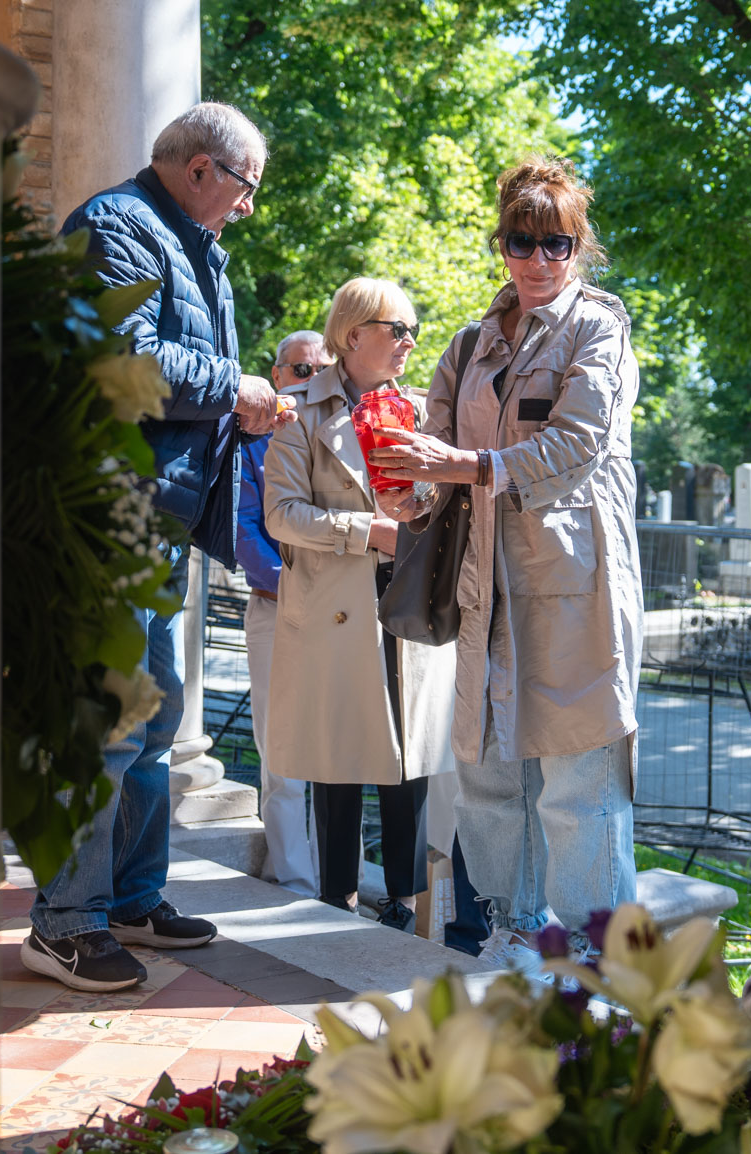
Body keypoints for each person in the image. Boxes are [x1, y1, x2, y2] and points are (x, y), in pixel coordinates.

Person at [21, 102, 297, 992]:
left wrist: (240, 411)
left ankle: (131, 899)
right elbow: (121, 363)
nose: (248, 207)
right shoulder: (116, 226)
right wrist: (235, 386)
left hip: (156, 520)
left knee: (152, 724)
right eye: (246, 186)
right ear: (201, 169)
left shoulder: (190, 244)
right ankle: (64, 923)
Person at [371, 157, 642, 968]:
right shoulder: (469, 343)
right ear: (501, 245)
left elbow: (576, 445)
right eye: (520, 242)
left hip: (575, 587)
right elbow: (434, 456)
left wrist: (463, 467)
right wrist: (407, 493)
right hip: (482, 586)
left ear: (577, 247)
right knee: (489, 779)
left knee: (577, 783)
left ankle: (597, 959)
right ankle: (517, 934)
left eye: (555, 243)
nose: (536, 260)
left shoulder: (598, 329)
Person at [263, 278, 458, 931]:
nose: (410, 342)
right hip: (335, 607)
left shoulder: (422, 411)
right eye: (397, 329)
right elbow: (281, 515)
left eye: (413, 331)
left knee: (410, 759)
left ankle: (403, 903)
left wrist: (422, 505)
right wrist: (366, 531)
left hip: (409, 601)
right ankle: (336, 897)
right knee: (337, 759)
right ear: (353, 335)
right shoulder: (298, 412)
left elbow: (445, 505)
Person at [237, 330, 335, 897]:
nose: (310, 380)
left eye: (320, 369)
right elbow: (244, 530)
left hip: (340, 617)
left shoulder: (346, 434)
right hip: (276, 611)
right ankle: (296, 883)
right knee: (280, 752)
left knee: (336, 751)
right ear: (276, 376)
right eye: (300, 370)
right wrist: (297, 585)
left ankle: (335, 879)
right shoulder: (248, 441)